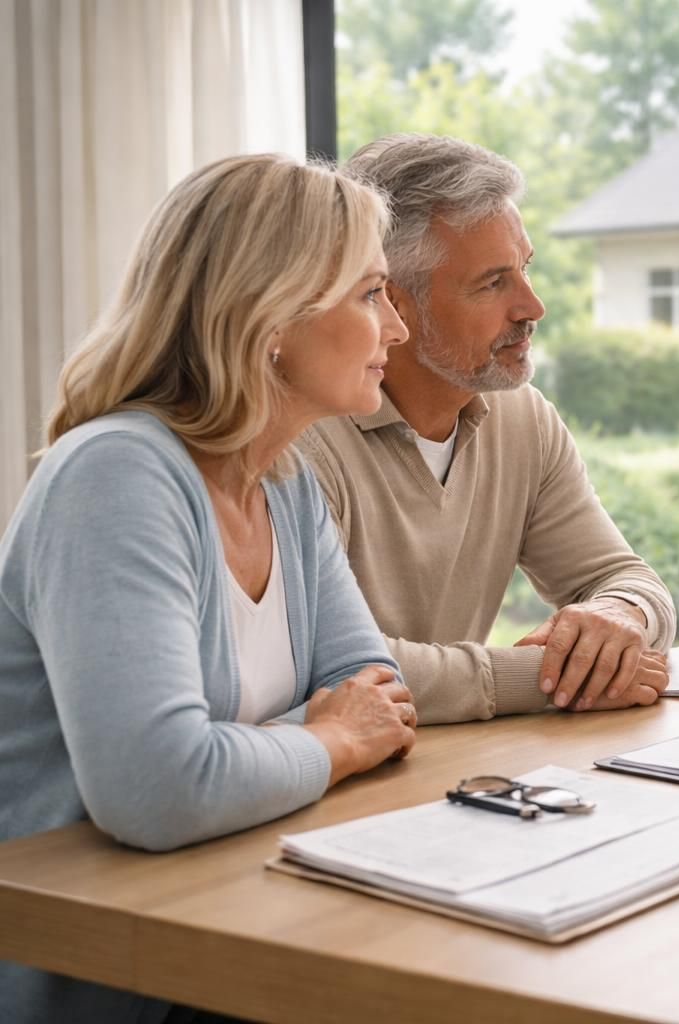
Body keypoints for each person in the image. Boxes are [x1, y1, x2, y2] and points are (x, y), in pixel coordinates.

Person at [0, 154, 418, 1022]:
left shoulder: (285, 482)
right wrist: (327, 743)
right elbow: (158, 788)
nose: (398, 331)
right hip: (112, 977)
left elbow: (380, 700)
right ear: (273, 314)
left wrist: (296, 741)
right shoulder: (115, 475)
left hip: (235, 915)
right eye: (371, 295)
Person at [295, 133, 674, 724]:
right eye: (494, 283)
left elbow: (619, 577)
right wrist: (549, 679)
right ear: (393, 302)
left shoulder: (523, 418)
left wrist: (621, 618)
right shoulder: (301, 437)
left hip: (445, 762)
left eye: (524, 269)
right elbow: (338, 667)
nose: (533, 306)